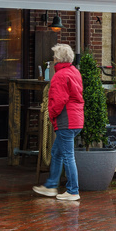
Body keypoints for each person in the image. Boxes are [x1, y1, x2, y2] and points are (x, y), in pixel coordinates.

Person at [33, 43, 83, 203]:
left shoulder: (60, 76)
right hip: (76, 120)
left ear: (58, 59)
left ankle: (73, 191)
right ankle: (51, 185)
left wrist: (52, 115)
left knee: (68, 156)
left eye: (54, 56)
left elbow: (59, 100)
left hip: (65, 120)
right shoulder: (74, 72)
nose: (53, 59)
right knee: (57, 153)